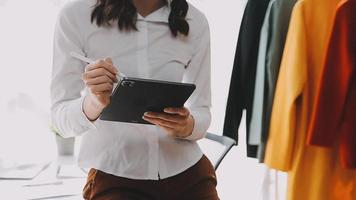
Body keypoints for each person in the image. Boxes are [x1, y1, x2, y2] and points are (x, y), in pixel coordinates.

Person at [51, 0, 218, 199]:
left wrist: (188, 126)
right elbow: (59, 120)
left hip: (190, 176)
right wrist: (93, 104)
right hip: (115, 178)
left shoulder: (195, 20)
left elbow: (202, 110)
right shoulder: (75, 16)